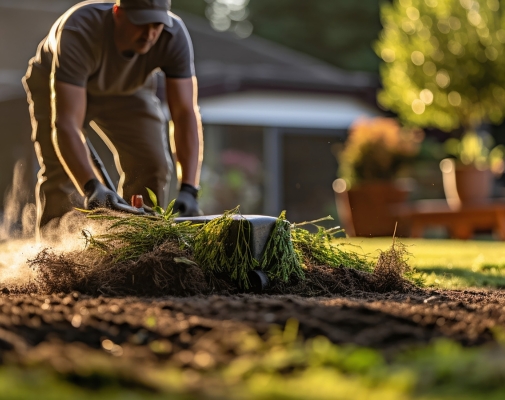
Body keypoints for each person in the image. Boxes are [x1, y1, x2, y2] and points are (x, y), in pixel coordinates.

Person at [22, 0, 204, 239]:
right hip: (58, 85)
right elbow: (67, 124)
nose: (149, 33)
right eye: (141, 23)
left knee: (152, 165)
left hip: (129, 89)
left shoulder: (173, 35)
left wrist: (189, 189)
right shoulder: (79, 29)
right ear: (118, 13)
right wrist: (91, 186)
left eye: (156, 25)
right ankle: (53, 260)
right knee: (61, 174)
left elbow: (184, 114)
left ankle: (137, 247)